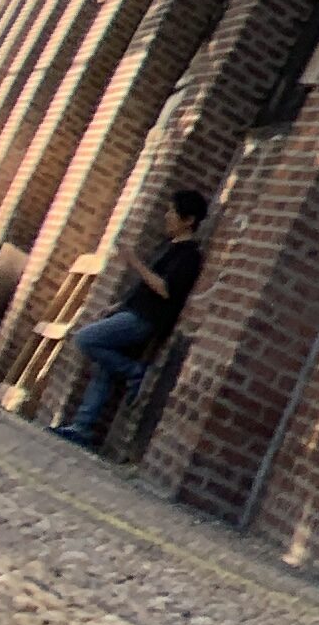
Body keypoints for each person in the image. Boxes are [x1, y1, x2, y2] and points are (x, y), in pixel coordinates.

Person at [52, 188, 208, 450]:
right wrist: (118, 306)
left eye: (173, 212)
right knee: (104, 368)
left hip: (145, 320)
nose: (167, 216)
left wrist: (133, 261)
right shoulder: (167, 247)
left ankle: (135, 372)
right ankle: (83, 427)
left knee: (85, 339)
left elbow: (164, 288)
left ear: (188, 220)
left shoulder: (189, 255)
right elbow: (144, 288)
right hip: (133, 312)